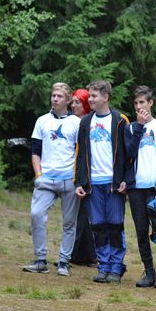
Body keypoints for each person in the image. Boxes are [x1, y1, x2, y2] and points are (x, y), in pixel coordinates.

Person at [74, 80, 129, 284]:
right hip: (93, 183)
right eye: (89, 96)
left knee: (115, 225)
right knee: (98, 225)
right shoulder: (85, 122)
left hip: (114, 184)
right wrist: (79, 182)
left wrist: (126, 180)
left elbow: (128, 153)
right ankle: (103, 265)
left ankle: (116, 266)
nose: (90, 99)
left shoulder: (120, 120)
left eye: (94, 96)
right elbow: (80, 155)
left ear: (105, 97)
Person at [23, 82, 80, 276]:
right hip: (46, 179)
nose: (55, 99)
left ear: (68, 100)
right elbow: (35, 151)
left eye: (59, 96)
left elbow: (81, 152)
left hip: (69, 180)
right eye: (53, 95)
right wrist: (38, 175)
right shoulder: (42, 121)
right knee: (36, 214)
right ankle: (40, 260)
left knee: (69, 223)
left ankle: (64, 261)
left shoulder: (76, 123)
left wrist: (78, 179)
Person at [124, 86, 156, 289]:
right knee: (141, 231)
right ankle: (149, 271)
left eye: (142, 102)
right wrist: (139, 127)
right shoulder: (130, 128)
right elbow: (129, 153)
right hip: (136, 188)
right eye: (136, 103)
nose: (139, 107)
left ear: (150, 103)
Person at [69, 88, 97, 267]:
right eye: (72, 102)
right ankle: (81, 254)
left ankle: (84, 254)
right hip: (72, 173)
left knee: (85, 216)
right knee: (78, 216)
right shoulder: (69, 122)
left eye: (77, 102)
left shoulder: (90, 123)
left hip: (88, 175)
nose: (73, 105)